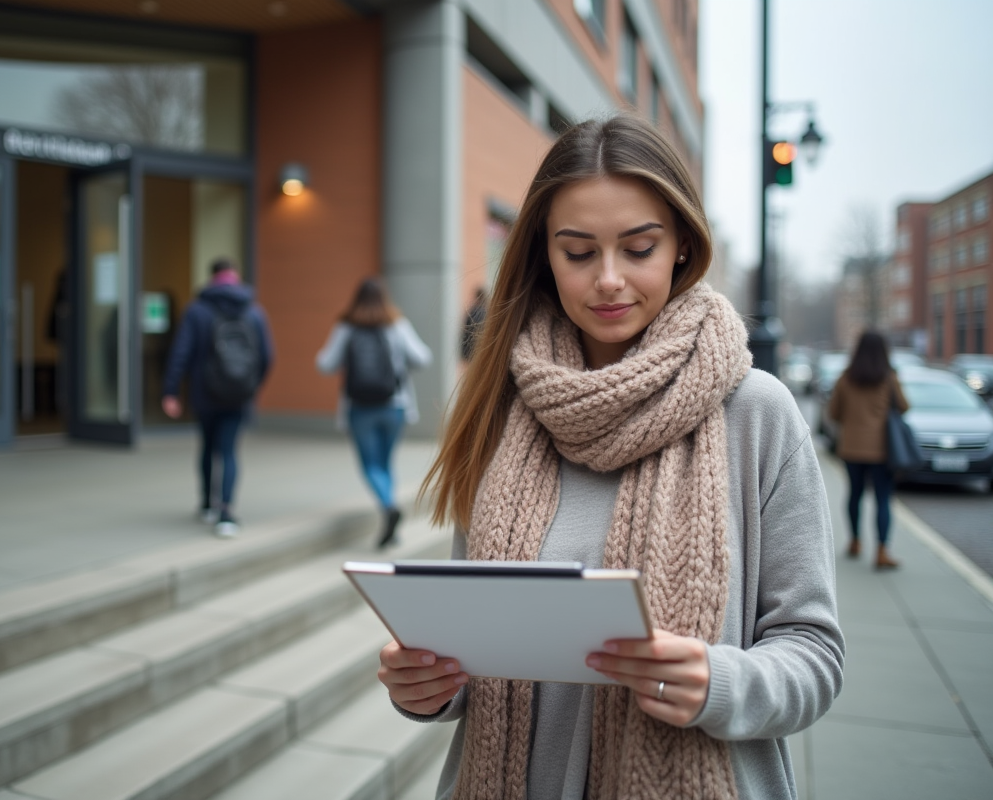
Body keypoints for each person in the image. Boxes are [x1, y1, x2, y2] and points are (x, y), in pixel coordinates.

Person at [376, 115, 844, 800]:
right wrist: (429, 687)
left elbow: (815, 656)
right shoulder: (503, 410)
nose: (609, 280)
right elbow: (476, 648)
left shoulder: (756, 412)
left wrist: (720, 683)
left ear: (682, 244)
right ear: (543, 254)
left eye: (639, 247)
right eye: (578, 252)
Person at [162, 258, 274, 537]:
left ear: (212, 278)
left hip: (205, 393)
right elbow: (267, 357)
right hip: (239, 395)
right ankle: (226, 513)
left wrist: (171, 390)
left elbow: (181, 352)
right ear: (235, 277)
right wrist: (251, 386)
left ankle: (206, 504)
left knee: (208, 447)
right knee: (229, 451)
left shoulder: (197, 310)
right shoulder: (254, 311)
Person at [317, 278, 432, 548]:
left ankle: (388, 506)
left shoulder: (346, 326)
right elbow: (423, 357)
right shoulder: (396, 324)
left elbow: (325, 364)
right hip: (394, 405)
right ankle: (390, 515)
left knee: (371, 465)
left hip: (360, 408)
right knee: (385, 462)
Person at [827, 330, 909, 569]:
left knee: (855, 494)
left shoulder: (846, 378)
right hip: (882, 450)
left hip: (851, 448)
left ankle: (854, 541)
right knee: (883, 498)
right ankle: (882, 551)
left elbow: (834, 413)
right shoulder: (889, 378)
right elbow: (904, 406)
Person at [459, 287, 487, 362]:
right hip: (479, 349)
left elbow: (465, 331)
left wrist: (464, 351)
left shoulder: (472, 312)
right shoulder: (485, 313)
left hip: (471, 349)